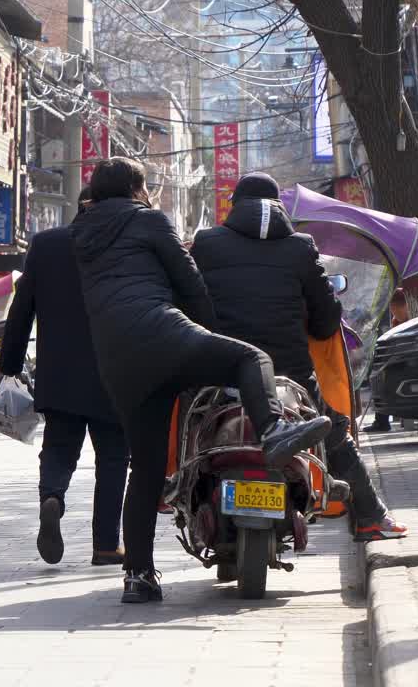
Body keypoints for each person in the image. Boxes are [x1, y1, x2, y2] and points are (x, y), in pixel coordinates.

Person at [70, 158, 332, 603]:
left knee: (146, 470)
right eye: (146, 186)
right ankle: (273, 431)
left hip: (118, 361)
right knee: (250, 357)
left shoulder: (82, 233)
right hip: (164, 335)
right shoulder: (150, 220)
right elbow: (190, 282)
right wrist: (209, 335)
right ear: (136, 190)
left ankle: (138, 576)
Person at [191, 172, 407, 543]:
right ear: (279, 207)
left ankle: (171, 490)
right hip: (289, 373)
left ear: (234, 206)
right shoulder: (301, 247)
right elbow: (325, 322)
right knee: (333, 430)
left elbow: (190, 304)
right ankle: (370, 517)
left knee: (187, 420)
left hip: (219, 369)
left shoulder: (206, 243)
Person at [0, 187, 129, 567]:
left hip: (59, 373)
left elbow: (21, 310)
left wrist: (10, 364)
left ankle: (52, 497)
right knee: (113, 458)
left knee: (58, 448)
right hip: (113, 372)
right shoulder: (126, 245)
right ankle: (106, 545)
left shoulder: (47, 244)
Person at [367, 289, 411, 433]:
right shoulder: (396, 321)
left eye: (395, 309)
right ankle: (381, 421)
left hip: (409, 363)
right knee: (379, 377)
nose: (393, 313)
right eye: (392, 309)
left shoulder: (411, 320)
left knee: (386, 381)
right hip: (399, 361)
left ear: (404, 306)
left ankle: (382, 421)